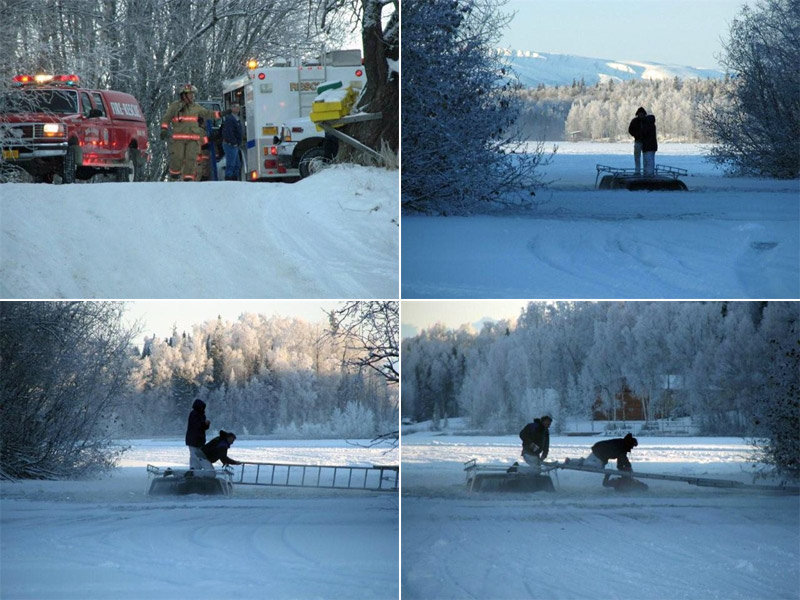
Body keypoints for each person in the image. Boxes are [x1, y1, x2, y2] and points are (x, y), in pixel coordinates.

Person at [160, 84, 220, 181]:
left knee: (191, 159)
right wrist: (164, 129)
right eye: (190, 94)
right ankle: (173, 177)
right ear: (184, 95)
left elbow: (207, 113)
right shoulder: (175, 107)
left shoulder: (196, 107)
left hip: (193, 139)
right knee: (177, 158)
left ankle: (188, 180)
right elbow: (166, 118)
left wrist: (220, 114)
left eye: (193, 94)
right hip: (178, 140)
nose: (193, 96)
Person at [185, 398, 210, 470]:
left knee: (199, 455)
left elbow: (202, 427)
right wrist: (204, 423)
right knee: (194, 455)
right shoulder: (194, 414)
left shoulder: (202, 415)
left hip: (199, 439)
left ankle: (197, 469)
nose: (202, 408)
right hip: (193, 439)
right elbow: (196, 425)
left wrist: (206, 424)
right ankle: (193, 469)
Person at [221, 103, 243, 181]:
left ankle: (234, 180)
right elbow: (228, 133)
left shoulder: (237, 118)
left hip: (235, 145)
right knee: (231, 164)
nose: (237, 108)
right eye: (234, 107)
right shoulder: (229, 119)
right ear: (231, 109)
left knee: (237, 165)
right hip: (230, 145)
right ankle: (229, 180)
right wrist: (234, 142)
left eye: (238, 106)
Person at [628, 107, 647, 175]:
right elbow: (630, 130)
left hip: (645, 142)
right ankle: (637, 171)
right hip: (638, 141)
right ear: (638, 114)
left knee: (646, 158)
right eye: (640, 114)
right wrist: (636, 135)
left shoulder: (646, 121)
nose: (641, 115)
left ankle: (646, 171)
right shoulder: (634, 121)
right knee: (637, 157)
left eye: (642, 114)